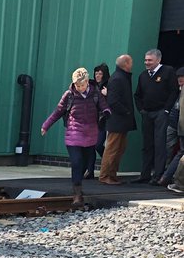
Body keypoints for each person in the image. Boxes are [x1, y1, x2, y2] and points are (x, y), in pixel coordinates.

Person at [41, 67, 108, 205]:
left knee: (84, 163)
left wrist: (106, 113)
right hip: (74, 132)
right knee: (76, 161)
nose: (80, 88)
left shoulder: (95, 93)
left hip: (90, 133)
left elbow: (104, 106)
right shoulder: (69, 95)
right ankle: (77, 194)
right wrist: (46, 125)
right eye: (77, 85)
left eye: (82, 85)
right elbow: (58, 111)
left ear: (87, 83)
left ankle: (78, 186)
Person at [134, 48, 178, 183]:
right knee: (147, 145)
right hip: (147, 113)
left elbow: (174, 90)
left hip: (161, 113)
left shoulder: (168, 71)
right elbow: (137, 95)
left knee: (159, 144)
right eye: (145, 60)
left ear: (158, 60)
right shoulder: (143, 75)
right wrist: (141, 110)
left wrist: (166, 110)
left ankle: (157, 175)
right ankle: (145, 174)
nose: (146, 62)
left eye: (150, 60)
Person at [100, 54, 136, 184]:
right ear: (126, 64)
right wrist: (126, 112)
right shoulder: (118, 78)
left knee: (119, 149)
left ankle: (112, 175)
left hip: (121, 121)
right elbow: (113, 101)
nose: (132, 64)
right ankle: (105, 176)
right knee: (112, 149)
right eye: (131, 62)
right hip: (117, 120)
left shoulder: (121, 77)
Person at [158, 67, 184, 187]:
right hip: (176, 125)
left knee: (176, 152)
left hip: (177, 125)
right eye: (178, 77)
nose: (180, 79)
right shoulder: (179, 91)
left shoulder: (180, 91)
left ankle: (166, 176)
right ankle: (168, 176)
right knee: (173, 151)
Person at [84, 62, 110, 179]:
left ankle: (108, 163)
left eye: (100, 74)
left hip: (103, 120)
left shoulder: (108, 85)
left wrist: (107, 94)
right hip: (92, 119)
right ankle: (90, 170)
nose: (98, 76)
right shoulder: (92, 85)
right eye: (96, 73)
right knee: (90, 146)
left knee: (98, 145)